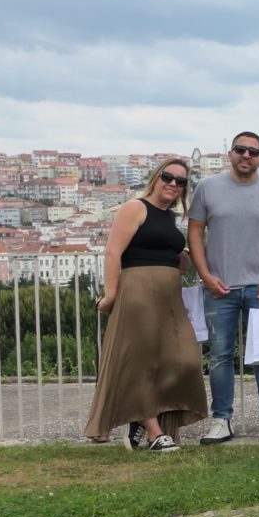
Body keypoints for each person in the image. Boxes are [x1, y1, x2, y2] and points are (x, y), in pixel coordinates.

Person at [83, 158, 208, 451]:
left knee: (183, 359)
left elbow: (158, 244)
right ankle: (154, 432)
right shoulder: (135, 208)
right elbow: (113, 252)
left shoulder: (168, 216)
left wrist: (181, 254)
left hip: (168, 296)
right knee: (141, 362)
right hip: (138, 292)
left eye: (181, 181)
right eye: (168, 177)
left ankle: (141, 423)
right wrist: (111, 294)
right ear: (155, 177)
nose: (173, 184)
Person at [187, 132, 259, 444]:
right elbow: (194, 233)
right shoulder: (207, 188)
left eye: (253, 152)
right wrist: (206, 276)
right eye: (240, 150)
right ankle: (222, 420)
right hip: (219, 286)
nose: (246, 155)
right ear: (230, 153)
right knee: (219, 355)